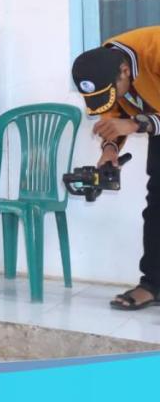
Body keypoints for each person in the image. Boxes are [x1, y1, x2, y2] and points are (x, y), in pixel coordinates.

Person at [71, 28, 160, 311]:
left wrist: (136, 124)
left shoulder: (154, 50)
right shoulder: (106, 64)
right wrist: (110, 148)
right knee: (157, 207)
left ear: (125, 71)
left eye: (110, 93)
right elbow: (114, 113)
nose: (109, 98)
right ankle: (153, 285)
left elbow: (130, 120)